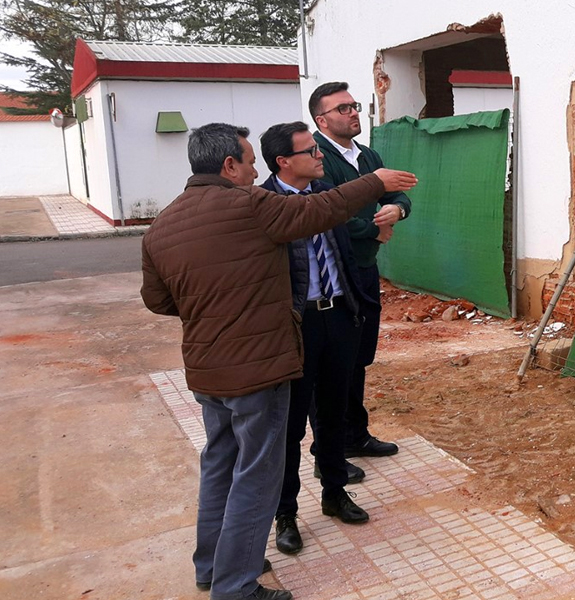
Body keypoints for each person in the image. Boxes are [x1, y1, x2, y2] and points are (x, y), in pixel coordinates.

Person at [141, 123, 415, 600]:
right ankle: (236, 587)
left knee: (221, 466)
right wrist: (375, 182)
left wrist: (214, 304)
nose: (253, 170)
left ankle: (210, 566)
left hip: (208, 371)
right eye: (248, 162)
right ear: (228, 165)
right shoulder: (250, 205)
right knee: (258, 477)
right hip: (258, 368)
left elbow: (159, 300)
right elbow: (320, 210)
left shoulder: (163, 224)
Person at [258, 121, 373, 556]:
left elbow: (346, 252)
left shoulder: (326, 196)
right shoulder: (264, 204)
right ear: (283, 161)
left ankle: (334, 492)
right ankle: (285, 512)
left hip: (338, 316)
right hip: (295, 325)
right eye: (310, 150)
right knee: (289, 425)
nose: (320, 155)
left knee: (333, 412)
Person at [309, 81, 412, 459]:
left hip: (364, 269)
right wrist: (374, 228)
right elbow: (329, 212)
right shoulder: (317, 159)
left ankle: (356, 434)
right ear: (321, 119)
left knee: (358, 357)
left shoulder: (367, 156)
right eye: (343, 108)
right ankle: (329, 448)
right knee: (332, 363)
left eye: (354, 106)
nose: (353, 112)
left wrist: (397, 210)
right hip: (332, 277)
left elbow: (396, 193)